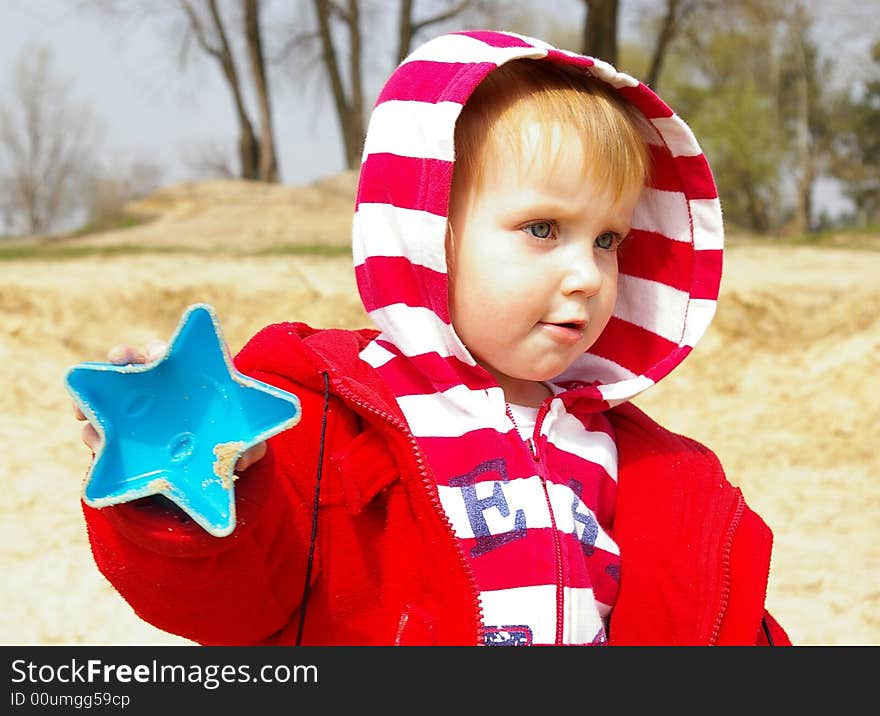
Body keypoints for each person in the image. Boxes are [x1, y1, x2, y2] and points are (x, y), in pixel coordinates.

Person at [74, 29, 790, 646]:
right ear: (425, 234)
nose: (588, 276)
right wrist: (186, 490)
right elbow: (231, 600)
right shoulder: (326, 418)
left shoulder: (634, 460)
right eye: (543, 229)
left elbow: (715, 618)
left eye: (607, 239)